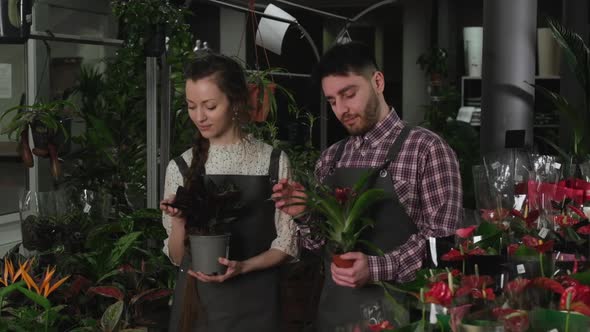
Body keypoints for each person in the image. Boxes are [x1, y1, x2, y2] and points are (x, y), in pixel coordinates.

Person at [272, 41, 462, 330]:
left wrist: (376, 268)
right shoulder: (330, 158)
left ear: (378, 81)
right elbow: (318, 245)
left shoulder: (426, 149)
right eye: (332, 101)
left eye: (349, 94)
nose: (341, 109)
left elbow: (443, 246)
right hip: (335, 317)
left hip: (405, 318)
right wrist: (304, 214)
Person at [160, 52, 297, 332]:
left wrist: (244, 266)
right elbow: (176, 257)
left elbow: (287, 244)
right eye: (191, 106)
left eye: (210, 106)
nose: (199, 116)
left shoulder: (272, 161)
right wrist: (177, 221)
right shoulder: (181, 166)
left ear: (235, 101)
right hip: (197, 307)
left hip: (258, 304)